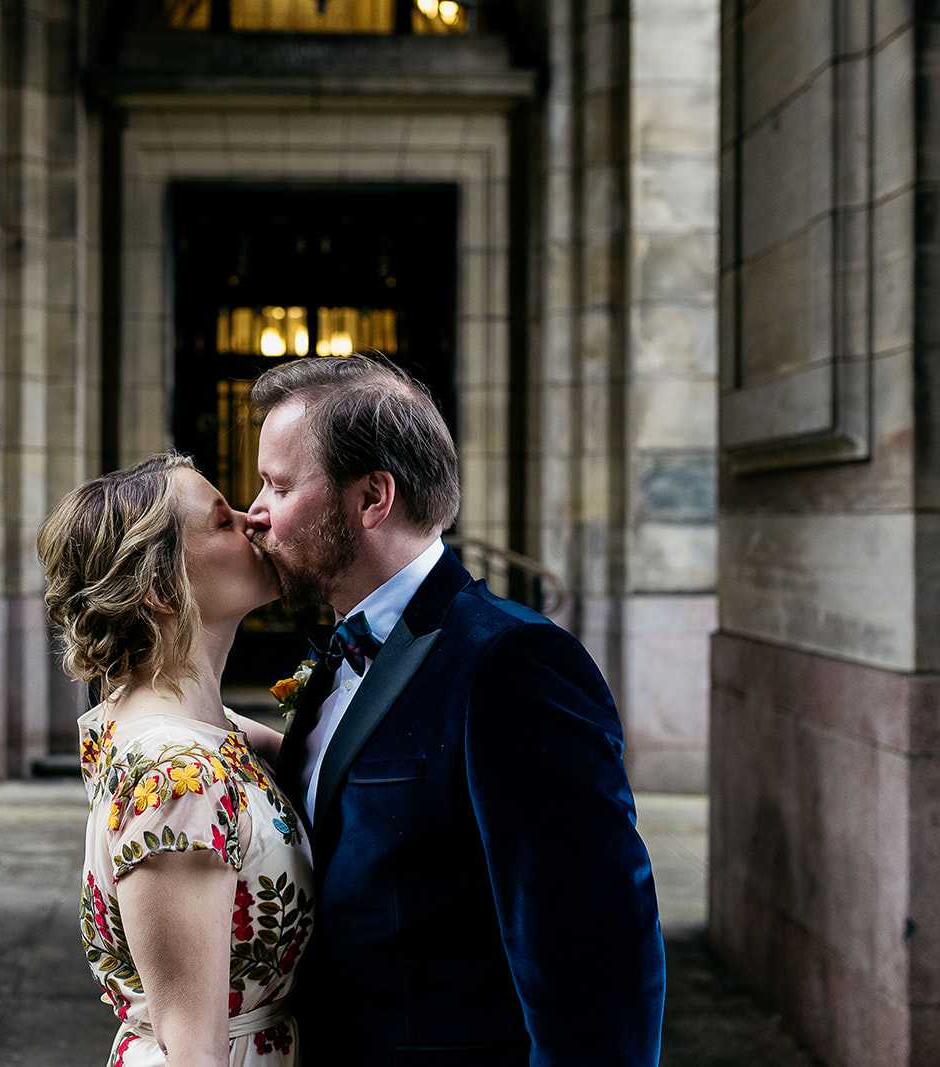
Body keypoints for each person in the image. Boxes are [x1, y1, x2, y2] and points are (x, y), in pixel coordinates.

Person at [245, 355, 666, 1065]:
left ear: (373, 497)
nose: (255, 508)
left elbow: (597, 966)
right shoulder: (344, 650)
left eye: (279, 484)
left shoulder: (512, 665)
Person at [38, 454, 314, 1067]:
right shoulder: (173, 774)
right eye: (221, 522)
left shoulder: (170, 721)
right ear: (159, 590)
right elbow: (193, 1051)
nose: (254, 519)